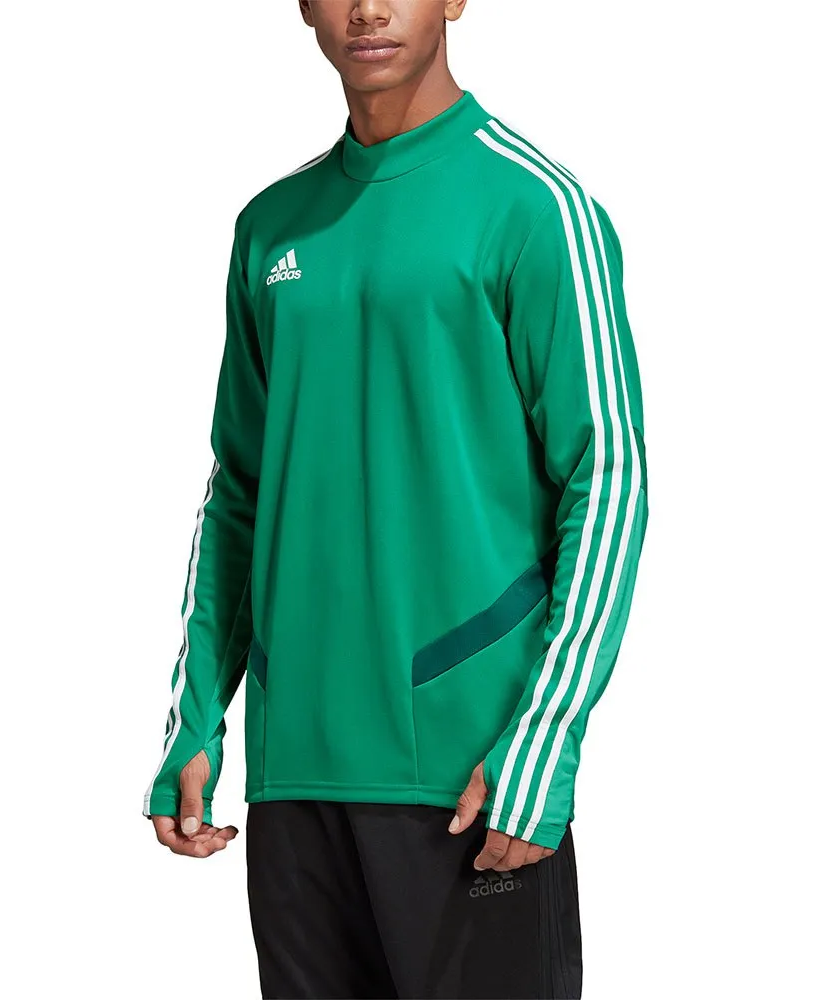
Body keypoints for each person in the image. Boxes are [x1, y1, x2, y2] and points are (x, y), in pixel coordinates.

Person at [143, 1, 648, 997]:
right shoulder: (272, 228)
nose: (367, 8)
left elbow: (609, 479)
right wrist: (196, 715)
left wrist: (543, 739)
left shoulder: (534, 207)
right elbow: (240, 486)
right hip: (296, 775)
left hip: (472, 779)